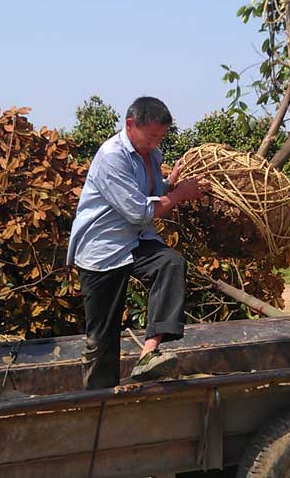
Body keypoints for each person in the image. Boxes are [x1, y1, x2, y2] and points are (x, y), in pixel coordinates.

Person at [67, 97, 209, 389]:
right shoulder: (112, 156)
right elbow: (139, 210)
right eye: (151, 136)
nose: (156, 143)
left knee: (170, 263)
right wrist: (180, 193)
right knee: (102, 338)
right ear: (130, 125)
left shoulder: (152, 155)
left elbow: (155, 195)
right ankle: (98, 401)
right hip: (102, 250)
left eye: (161, 137)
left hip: (135, 241)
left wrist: (172, 182)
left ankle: (149, 352)